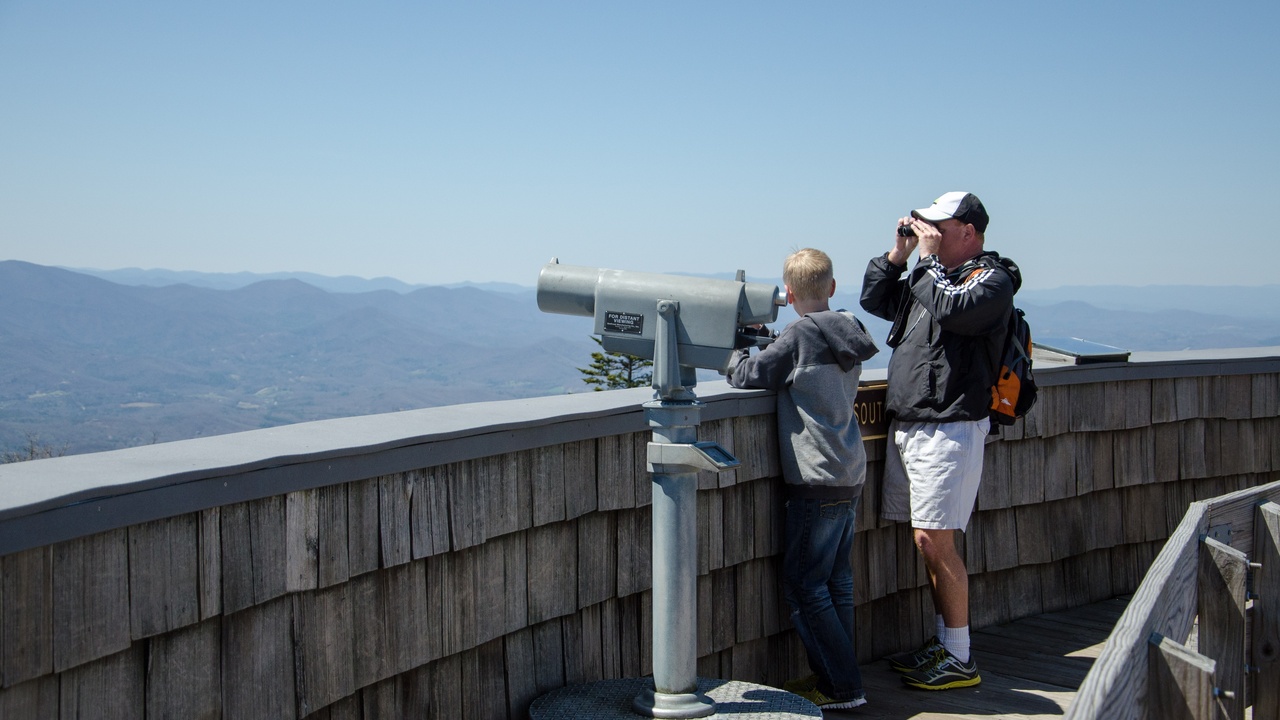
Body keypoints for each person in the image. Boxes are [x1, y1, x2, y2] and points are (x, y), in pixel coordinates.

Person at [859, 191, 1021, 690]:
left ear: (967, 232)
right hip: (911, 422)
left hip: (951, 424)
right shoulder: (929, 276)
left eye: (937, 227)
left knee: (935, 539)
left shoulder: (992, 281)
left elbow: (956, 313)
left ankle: (960, 658)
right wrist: (899, 256)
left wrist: (926, 262)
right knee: (925, 538)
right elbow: (874, 300)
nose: (927, 232)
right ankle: (944, 645)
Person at [726, 248, 879, 710]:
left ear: (787, 294)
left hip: (815, 478)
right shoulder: (846, 327)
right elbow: (800, 357)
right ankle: (840, 678)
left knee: (803, 586)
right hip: (849, 471)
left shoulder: (798, 336)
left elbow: (749, 374)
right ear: (832, 288)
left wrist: (735, 347)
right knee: (836, 582)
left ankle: (843, 687)